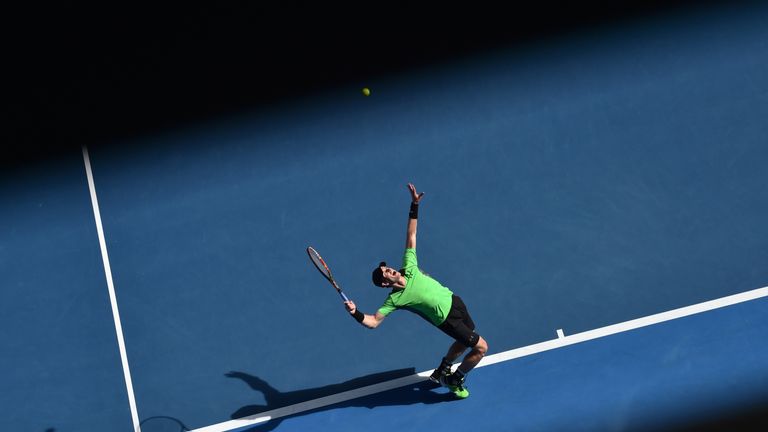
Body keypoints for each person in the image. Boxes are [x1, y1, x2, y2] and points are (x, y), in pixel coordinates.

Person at [344, 183, 489, 398]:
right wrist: (355, 312)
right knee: (481, 348)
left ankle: (442, 370)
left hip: (455, 301)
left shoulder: (409, 265)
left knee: (464, 340)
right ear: (385, 284)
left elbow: (411, 234)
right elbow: (373, 322)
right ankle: (454, 379)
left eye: (387, 267)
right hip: (447, 319)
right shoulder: (395, 299)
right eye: (385, 272)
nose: (389, 269)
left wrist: (414, 205)